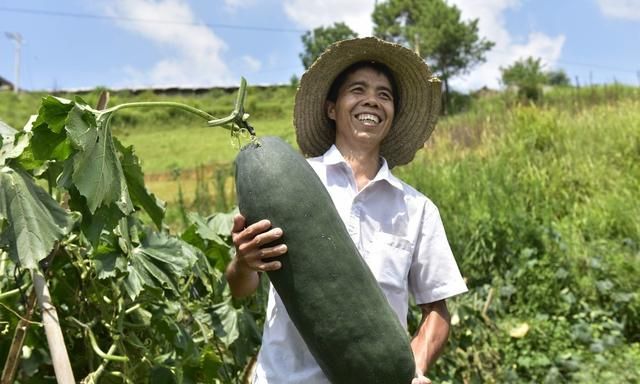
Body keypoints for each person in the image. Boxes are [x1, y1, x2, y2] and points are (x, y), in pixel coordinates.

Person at [225, 37, 467, 384]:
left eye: (385, 95)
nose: (372, 100)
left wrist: (414, 369)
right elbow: (240, 288)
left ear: (392, 114)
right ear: (331, 108)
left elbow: (437, 309)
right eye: (358, 90)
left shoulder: (418, 209)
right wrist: (243, 262)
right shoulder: (284, 183)